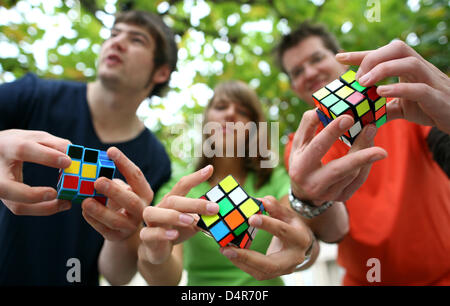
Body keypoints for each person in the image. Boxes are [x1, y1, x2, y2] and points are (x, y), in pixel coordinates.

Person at [0, 10, 177, 285]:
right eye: (114, 34)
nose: (116, 42)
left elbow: (117, 276)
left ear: (161, 71)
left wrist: (124, 233)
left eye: (137, 39)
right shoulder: (34, 95)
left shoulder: (155, 158)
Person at [275, 21, 450, 285]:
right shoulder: (301, 147)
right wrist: (310, 200)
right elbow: (336, 230)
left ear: (343, 60)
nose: (309, 72)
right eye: (297, 71)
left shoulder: (407, 107)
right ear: (294, 87)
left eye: (317, 58)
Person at [137, 80, 322, 285]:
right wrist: (154, 255)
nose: (230, 114)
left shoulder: (276, 180)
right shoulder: (180, 186)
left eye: (242, 111)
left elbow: (302, 238)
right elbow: (165, 280)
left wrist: (304, 248)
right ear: (207, 120)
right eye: (221, 107)